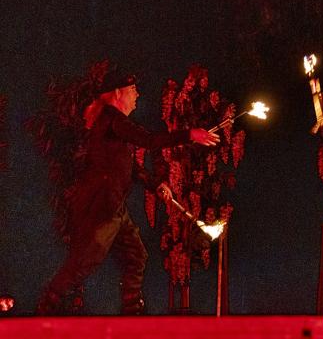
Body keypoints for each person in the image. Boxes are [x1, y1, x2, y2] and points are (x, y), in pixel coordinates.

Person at [36, 68, 219, 314]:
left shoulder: (111, 125)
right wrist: (189, 134)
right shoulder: (112, 120)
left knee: (136, 255)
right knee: (83, 262)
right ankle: (47, 305)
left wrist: (155, 185)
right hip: (102, 208)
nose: (138, 95)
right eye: (133, 90)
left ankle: (132, 311)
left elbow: (128, 166)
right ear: (118, 93)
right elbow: (150, 140)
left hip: (114, 206)